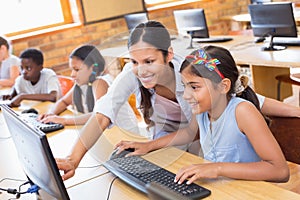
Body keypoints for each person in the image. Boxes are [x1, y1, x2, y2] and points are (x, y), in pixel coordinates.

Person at [56, 21, 297, 181]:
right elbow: (102, 114)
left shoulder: (196, 72)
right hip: (184, 156)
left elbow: (245, 95)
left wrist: (295, 111)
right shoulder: (199, 105)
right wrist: (73, 158)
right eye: (134, 62)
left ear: (168, 54)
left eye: (149, 61)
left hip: (220, 167)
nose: (140, 70)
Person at [115, 45, 290, 183]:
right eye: (184, 86)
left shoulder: (243, 112)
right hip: (220, 191)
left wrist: (217, 168)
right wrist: (149, 146)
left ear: (223, 86)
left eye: (194, 87)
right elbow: (187, 134)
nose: (186, 95)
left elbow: (280, 171)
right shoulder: (203, 112)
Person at [38, 44, 138, 131]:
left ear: (93, 68)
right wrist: (50, 114)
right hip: (107, 133)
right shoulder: (83, 82)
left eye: (77, 70)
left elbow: (98, 115)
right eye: (72, 69)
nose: (72, 74)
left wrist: (64, 120)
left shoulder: (100, 82)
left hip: (123, 134)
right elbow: (64, 102)